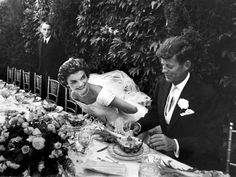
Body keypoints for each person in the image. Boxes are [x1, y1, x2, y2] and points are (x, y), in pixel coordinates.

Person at [124, 34, 223, 170]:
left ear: (186, 65)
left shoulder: (206, 94)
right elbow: (155, 113)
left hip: (196, 165)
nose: (164, 70)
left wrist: (175, 144)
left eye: (169, 66)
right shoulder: (162, 84)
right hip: (168, 161)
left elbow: (212, 140)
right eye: (162, 65)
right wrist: (139, 125)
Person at [58, 57, 151, 133]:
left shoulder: (102, 95)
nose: (81, 84)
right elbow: (93, 109)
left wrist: (118, 112)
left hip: (127, 126)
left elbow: (133, 109)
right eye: (74, 82)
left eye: (83, 77)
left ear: (87, 76)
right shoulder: (74, 95)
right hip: (108, 128)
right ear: (66, 84)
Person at [37, 21, 65, 99]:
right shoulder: (39, 42)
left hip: (53, 75)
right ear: (41, 30)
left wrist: (54, 72)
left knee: (53, 98)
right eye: (44, 29)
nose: (46, 32)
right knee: (42, 97)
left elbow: (61, 59)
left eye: (48, 30)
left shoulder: (57, 43)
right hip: (42, 74)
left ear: (51, 30)